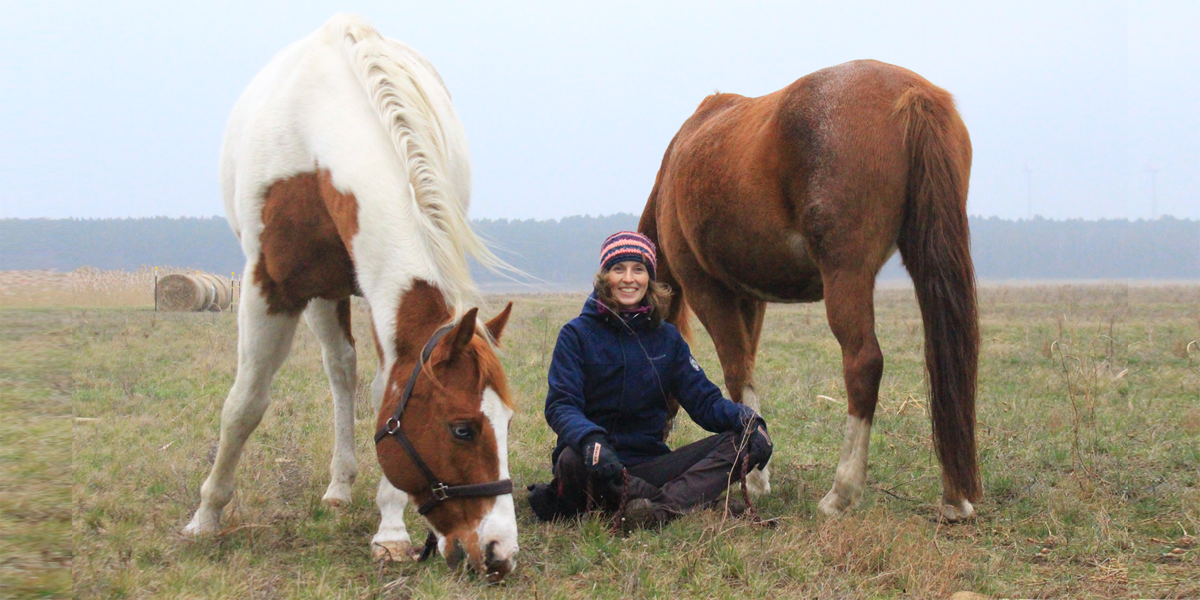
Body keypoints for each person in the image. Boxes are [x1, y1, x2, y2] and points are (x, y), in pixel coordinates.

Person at [529, 231, 773, 528]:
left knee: (742, 440)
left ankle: (655, 508)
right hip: (593, 462)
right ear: (604, 276)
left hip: (651, 464)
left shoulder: (668, 338)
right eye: (618, 269)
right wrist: (591, 439)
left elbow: (705, 402)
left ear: (650, 278)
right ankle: (683, 501)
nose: (628, 279)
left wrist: (749, 420)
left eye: (639, 269)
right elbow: (561, 405)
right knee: (570, 459)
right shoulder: (576, 335)